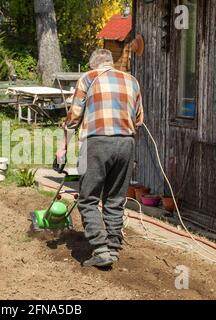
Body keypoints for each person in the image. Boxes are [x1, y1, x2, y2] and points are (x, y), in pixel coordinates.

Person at [56, 49, 144, 268]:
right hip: (126, 143)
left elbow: (73, 118)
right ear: (111, 63)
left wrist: (62, 149)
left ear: (93, 65)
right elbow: (139, 121)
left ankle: (100, 248)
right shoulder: (132, 81)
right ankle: (113, 247)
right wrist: (130, 149)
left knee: (87, 199)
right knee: (115, 199)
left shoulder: (88, 78)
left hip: (96, 143)